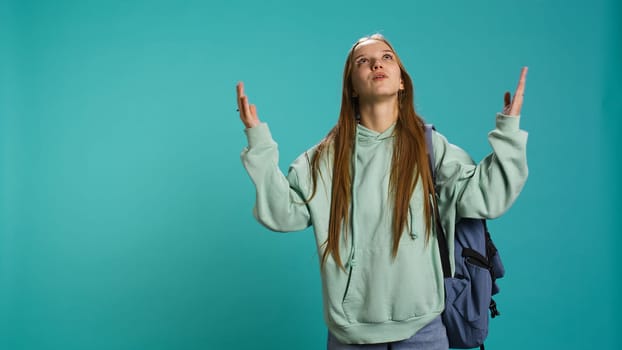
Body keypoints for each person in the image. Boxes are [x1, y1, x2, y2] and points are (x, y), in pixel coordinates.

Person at [236, 33, 528, 350]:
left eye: (387, 57)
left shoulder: (430, 149)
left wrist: (509, 131)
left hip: (424, 329)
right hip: (351, 334)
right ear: (351, 87)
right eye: (363, 61)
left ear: (402, 81)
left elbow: (488, 197)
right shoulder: (325, 158)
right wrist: (260, 145)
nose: (376, 63)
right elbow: (283, 214)